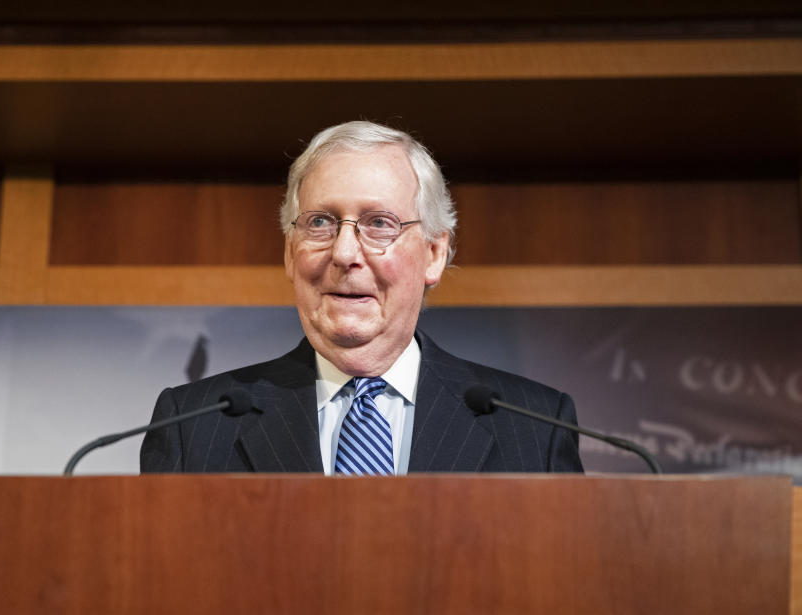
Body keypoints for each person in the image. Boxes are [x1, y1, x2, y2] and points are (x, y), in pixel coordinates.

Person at [141, 121, 583, 474]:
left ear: (434, 254)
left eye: (379, 224)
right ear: (290, 253)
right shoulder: (194, 426)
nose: (345, 252)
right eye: (319, 223)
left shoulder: (533, 426)